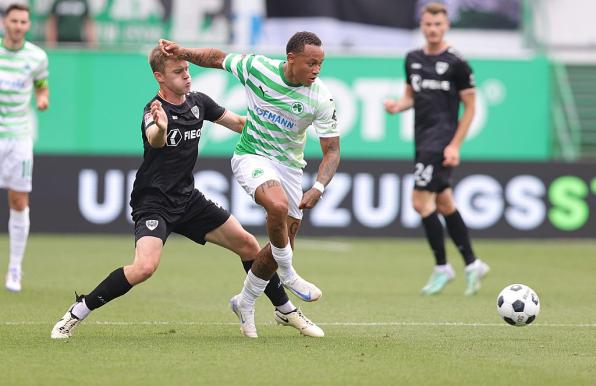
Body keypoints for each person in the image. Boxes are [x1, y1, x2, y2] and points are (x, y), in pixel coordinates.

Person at [50, 44, 324, 339]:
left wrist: (279, 126)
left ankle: (284, 309)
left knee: (248, 245)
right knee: (144, 268)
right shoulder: (154, 111)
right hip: (154, 202)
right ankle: (79, 310)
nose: (187, 76)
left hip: (188, 199)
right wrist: (163, 128)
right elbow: (155, 140)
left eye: (188, 70)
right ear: (160, 77)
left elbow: (240, 124)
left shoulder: (199, 103)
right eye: (178, 72)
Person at [159, 30, 340, 337]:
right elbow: (216, 58)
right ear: (291, 58)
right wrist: (184, 51)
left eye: (320, 64)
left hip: (290, 166)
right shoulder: (258, 69)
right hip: (251, 154)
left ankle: (245, 301)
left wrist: (318, 187)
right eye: (311, 63)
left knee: (284, 238)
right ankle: (289, 273)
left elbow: (332, 151)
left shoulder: (321, 97)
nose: (316, 70)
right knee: (277, 206)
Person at [384, 2, 489, 296]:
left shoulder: (457, 63)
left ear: (446, 27)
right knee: (444, 202)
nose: (433, 29)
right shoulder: (412, 58)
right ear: (422, 25)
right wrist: (397, 106)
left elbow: (470, 108)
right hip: (421, 139)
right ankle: (472, 262)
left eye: (438, 25)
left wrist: (455, 144)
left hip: (440, 141)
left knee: (419, 202)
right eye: (428, 24)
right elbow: (410, 97)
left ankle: (443, 267)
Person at [1, 3, 49, 292]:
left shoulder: (37, 57)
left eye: (23, 22)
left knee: (18, 201)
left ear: (28, 25)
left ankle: (14, 268)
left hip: (19, 136)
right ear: (6, 23)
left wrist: (42, 98)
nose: (18, 26)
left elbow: (41, 85)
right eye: (14, 21)